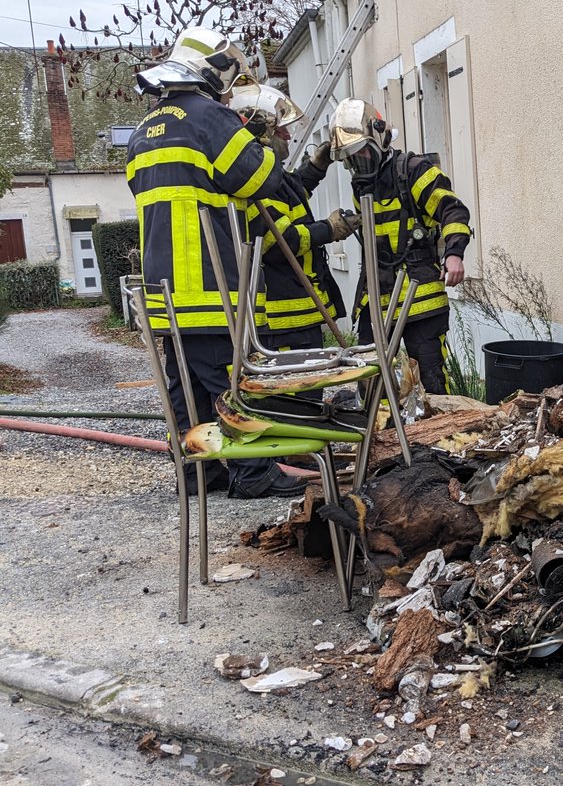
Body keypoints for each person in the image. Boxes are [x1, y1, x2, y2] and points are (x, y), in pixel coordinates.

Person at [126, 26, 303, 499]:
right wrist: (264, 143)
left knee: (185, 386)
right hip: (211, 284)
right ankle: (254, 473)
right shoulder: (209, 117)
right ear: (214, 71)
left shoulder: (144, 131)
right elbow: (259, 178)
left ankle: (198, 472)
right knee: (231, 382)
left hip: (164, 292)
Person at [326, 98, 471, 395]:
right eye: (350, 158)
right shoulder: (361, 186)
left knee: (431, 382)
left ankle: (440, 425)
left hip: (421, 300)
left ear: (379, 137)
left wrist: (454, 254)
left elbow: (453, 210)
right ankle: (380, 426)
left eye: (361, 152)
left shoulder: (414, 170)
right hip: (377, 302)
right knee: (370, 382)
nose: (358, 162)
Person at [229, 82, 356, 353]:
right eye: (280, 130)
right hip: (284, 320)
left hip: (299, 315)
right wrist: (329, 229)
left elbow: (291, 194)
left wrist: (316, 168)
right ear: (260, 134)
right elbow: (280, 242)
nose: (288, 135)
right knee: (299, 381)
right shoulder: (255, 184)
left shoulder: (270, 176)